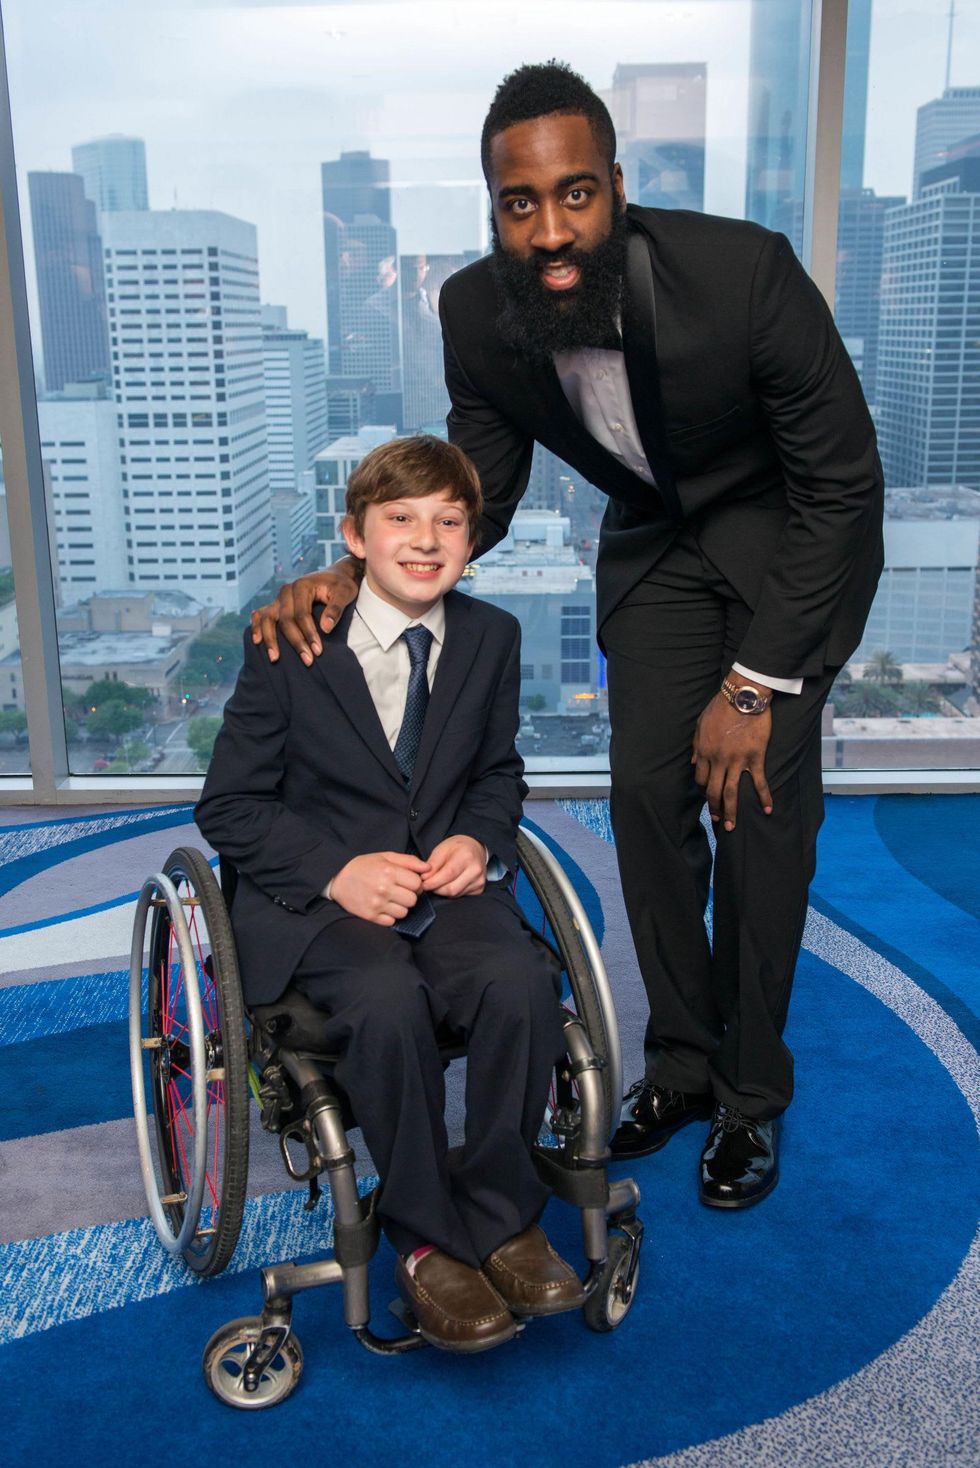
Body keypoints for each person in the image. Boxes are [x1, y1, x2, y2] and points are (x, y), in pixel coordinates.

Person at [251, 63, 884, 1211]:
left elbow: (839, 487)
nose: (549, 229)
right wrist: (357, 574)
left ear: (616, 190)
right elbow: (480, 488)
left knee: (753, 814)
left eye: (574, 194)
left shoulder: (741, 273)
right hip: (656, 551)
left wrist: (753, 686)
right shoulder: (475, 313)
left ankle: (748, 1092)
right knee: (644, 800)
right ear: (493, 208)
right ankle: (681, 1065)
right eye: (520, 202)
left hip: (786, 547)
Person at [197, 434, 585, 1353]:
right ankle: (423, 1238)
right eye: (400, 518)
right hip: (317, 904)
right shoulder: (288, 645)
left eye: (449, 522)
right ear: (354, 537)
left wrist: (477, 837)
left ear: (472, 541)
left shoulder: (491, 637)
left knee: (521, 984)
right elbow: (229, 807)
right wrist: (337, 871)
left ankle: (501, 1216)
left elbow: (497, 772)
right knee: (385, 1000)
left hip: (442, 891)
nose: (425, 539)